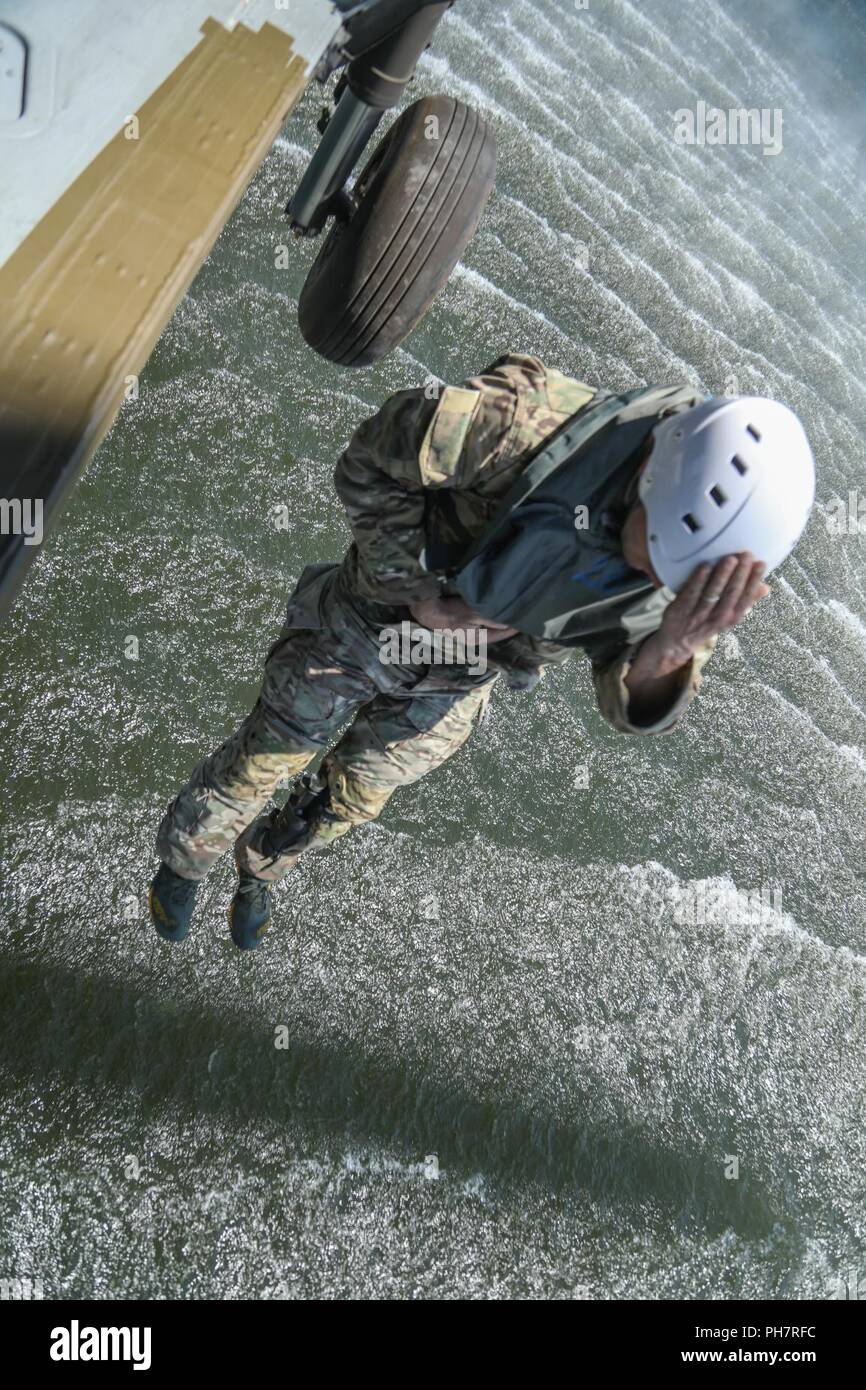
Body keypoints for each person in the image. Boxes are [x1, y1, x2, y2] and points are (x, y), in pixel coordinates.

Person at [148, 354, 814, 949]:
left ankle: (263, 863)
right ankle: (183, 862)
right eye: (653, 555)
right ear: (649, 475)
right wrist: (423, 595)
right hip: (367, 621)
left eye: (670, 581)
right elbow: (368, 462)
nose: (651, 584)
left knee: (348, 800)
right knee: (265, 759)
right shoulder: (519, 425)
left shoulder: (695, 580)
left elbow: (626, 697)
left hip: (460, 678)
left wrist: (669, 650)